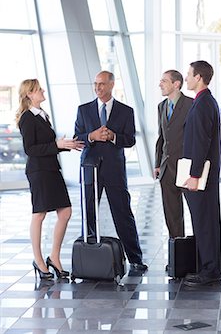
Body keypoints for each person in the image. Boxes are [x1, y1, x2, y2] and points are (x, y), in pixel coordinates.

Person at [74, 71, 148, 272]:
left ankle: (135, 258)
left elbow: (130, 139)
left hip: (115, 170)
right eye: (96, 84)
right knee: (88, 212)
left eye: (102, 84)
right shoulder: (84, 110)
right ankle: (87, 258)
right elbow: (78, 138)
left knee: (123, 213)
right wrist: (92, 135)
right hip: (90, 169)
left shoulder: (126, 111)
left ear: (112, 85)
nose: (98, 88)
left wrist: (114, 136)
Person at [16, 79, 84, 280]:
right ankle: (39, 261)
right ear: (30, 94)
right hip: (39, 171)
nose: (43, 91)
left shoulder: (42, 115)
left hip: (51, 170)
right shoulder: (28, 117)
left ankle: (54, 257)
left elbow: (47, 144)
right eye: (39, 89)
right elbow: (31, 149)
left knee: (65, 212)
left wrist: (65, 145)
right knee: (39, 214)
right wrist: (57, 145)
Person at [182, 60, 221, 286]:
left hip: (202, 176)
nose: (187, 78)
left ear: (199, 77)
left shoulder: (203, 103)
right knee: (207, 220)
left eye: (189, 74)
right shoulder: (206, 101)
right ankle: (211, 266)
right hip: (206, 173)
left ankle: (209, 269)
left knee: (204, 221)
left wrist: (195, 175)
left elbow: (201, 142)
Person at [154, 70, 193, 239]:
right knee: (172, 215)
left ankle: (200, 254)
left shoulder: (191, 105)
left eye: (164, 81)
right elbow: (162, 137)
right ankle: (178, 252)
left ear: (176, 84)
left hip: (187, 168)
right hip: (166, 168)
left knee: (195, 212)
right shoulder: (162, 106)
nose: (160, 84)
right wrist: (157, 164)